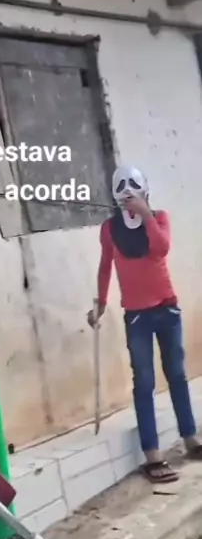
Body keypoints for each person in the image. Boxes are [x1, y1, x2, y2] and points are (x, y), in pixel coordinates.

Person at [88, 165, 202, 483]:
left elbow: (161, 248)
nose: (127, 190)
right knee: (145, 381)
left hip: (167, 309)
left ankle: (190, 438)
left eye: (133, 184)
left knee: (177, 374)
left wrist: (146, 214)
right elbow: (105, 267)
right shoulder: (110, 229)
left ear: (145, 189)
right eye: (121, 185)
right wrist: (100, 303)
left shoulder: (160, 218)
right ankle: (152, 455)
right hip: (137, 316)